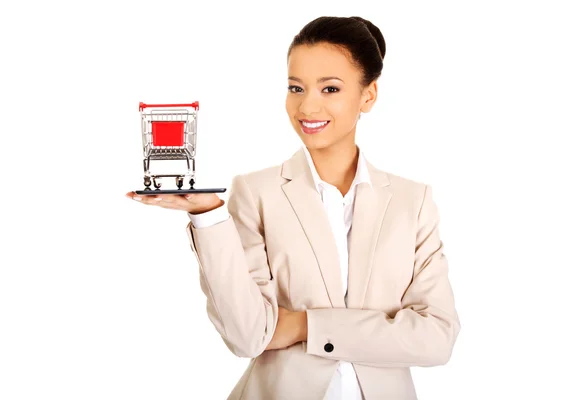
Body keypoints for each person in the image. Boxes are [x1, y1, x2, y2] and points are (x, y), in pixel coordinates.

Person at [126, 15, 460, 400]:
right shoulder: (255, 192)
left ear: (368, 95)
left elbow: (437, 338)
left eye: (330, 88)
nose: (307, 106)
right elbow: (248, 335)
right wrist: (208, 215)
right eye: (295, 88)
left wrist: (305, 326)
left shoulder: (411, 202)